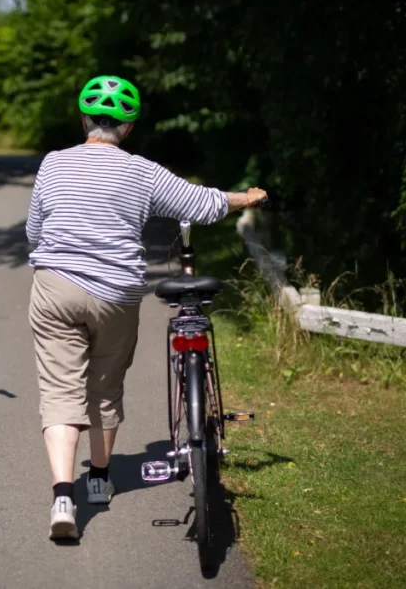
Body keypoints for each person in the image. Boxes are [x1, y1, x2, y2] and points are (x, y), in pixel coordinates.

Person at [26, 75, 269, 539]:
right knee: (104, 384)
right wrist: (247, 198)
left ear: (84, 120)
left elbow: (35, 233)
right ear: (129, 128)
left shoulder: (53, 165)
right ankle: (98, 480)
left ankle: (63, 496)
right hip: (116, 293)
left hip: (55, 287)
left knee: (60, 390)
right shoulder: (142, 171)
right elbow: (203, 204)